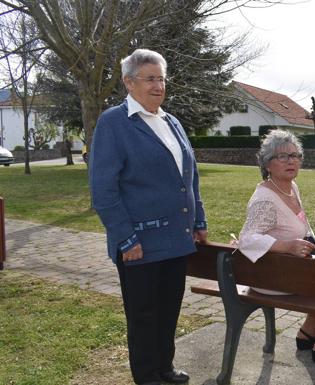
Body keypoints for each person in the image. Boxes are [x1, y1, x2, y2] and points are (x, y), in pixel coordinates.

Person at [89, 49, 207, 385]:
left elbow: (190, 176)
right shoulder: (114, 123)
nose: (158, 86)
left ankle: (164, 368)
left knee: (168, 310)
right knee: (143, 315)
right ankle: (146, 376)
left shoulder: (172, 122)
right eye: (150, 78)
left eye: (161, 78)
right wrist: (126, 238)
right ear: (129, 82)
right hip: (139, 242)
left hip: (175, 239)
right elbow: (103, 189)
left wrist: (198, 221)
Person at [237, 129, 315, 364]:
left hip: (291, 270)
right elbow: (247, 239)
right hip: (273, 277)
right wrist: (286, 246)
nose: (291, 161)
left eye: (295, 155)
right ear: (267, 164)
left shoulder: (291, 186)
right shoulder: (265, 198)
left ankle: (308, 332)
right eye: (282, 156)